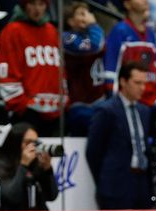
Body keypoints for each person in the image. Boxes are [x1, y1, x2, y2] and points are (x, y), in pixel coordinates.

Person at [86, 62, 152, 210]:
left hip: (141, 183)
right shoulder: (106, 110)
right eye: (137, 83)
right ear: (123, 81)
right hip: (115, 185)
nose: (142, 88)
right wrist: (105, 179)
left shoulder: (145, 111)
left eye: (144, 83)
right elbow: (93, 152)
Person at [0, 0, 65, 136]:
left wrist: (64, 100)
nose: (37, 9)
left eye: (41, 4)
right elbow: (7, 71)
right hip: (26, 112)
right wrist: (21, 106)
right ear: (24, 5)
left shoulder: (52, 30)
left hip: (56, 111)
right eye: (32, 3)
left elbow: (61, 69)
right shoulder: (12, 31)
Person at [103, 0, 156, 107]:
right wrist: (113, 96)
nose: (145, 1)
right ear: (127, 4)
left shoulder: (150, 33)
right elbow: (111, 67)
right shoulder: (119, 30)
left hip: (151, 98)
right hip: (127, 99)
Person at [0, 122, 58, 210]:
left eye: (35, 143)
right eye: (28, 142)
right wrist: (23, 165)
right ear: (15, 142)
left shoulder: (36, 162)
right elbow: (12, 197)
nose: (32, 147)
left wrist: (47, 169)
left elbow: (51, 196)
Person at [62, 1, 105, 136]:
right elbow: (93, 46)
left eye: (87, 13)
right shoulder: (67, 38)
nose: (86, 17)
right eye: (81, 14)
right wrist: (93, 25)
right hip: (79, 103)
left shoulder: (93, 34)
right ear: (70, 20)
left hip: (99, 99)